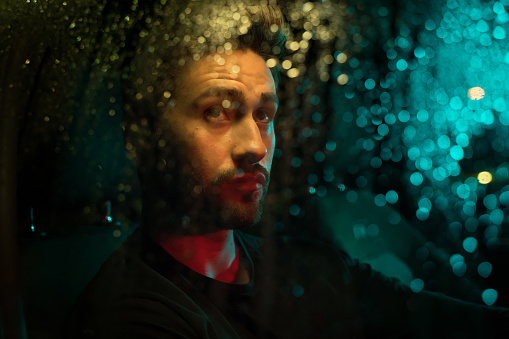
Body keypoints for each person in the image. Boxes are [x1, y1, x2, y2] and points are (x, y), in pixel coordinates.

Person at [66, 2, 509, 338]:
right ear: (144, 135)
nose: (255, 147)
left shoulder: (307, 267)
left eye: (264, 116)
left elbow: (433, 317)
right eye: (218, 112)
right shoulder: (133, 314)